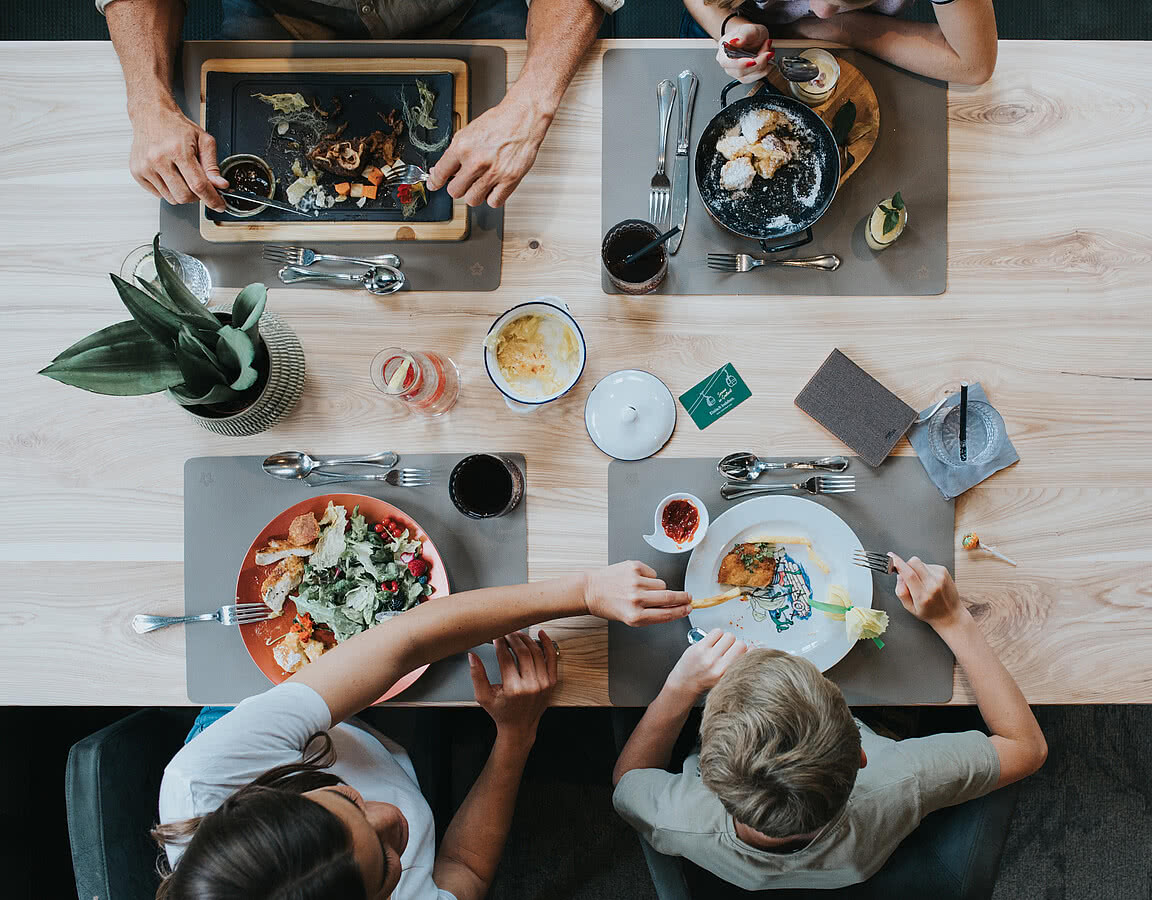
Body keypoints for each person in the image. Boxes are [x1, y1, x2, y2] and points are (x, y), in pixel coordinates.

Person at [153, 561, 691, 900]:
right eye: (389, 866)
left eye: (349, 802)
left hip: (285, 728)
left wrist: (587, 590)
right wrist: (515, 737)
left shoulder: (202, 779)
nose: (393, 818)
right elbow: (463, 873)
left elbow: (401, 643)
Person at [612, 553, 1046, 891]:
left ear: (707, 769)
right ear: (861, 751)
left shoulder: (679, 816)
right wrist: (956, 621)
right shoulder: (901, 778)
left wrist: (679, 689)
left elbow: (628, 779)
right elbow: (1027, 748)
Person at [99, 0, 619, 213]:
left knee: (519, 207)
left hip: (466, 10)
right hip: (284, 17)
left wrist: (531, 108)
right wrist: (147, 104)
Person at [683, 0, 997, 86]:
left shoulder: (823, 18)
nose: (818, 9)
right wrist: (731, 27)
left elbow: (974, 64)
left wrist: (837, 29)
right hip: (724, 22)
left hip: (865, 48)